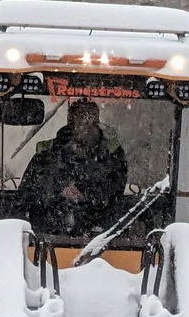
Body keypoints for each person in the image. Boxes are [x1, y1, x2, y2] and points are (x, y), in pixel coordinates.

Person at [15, 99, 127, 236]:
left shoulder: (112, 154)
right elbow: (27, 194)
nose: (86, 128)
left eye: (90, 122)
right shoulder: (46, 154)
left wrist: (85, 194)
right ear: (71, 124)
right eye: (81, 121)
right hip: (46, 239)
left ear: (97, 121)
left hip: (103, 239)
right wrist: (59, 193)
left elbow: (116, 190)